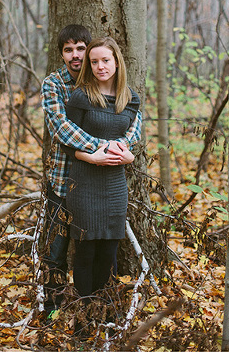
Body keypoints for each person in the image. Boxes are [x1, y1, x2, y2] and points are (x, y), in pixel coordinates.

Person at [41, 25, 142, 314]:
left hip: (107, 181)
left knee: (104, 247)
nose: (76, 55)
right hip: (65, 179)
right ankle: (52, 308)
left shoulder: (121, 91)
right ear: (62, 54)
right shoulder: (56, 85)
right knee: (57, 250)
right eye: (68, 49)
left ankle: (98, 309)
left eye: (80, 49)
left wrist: (123, 148)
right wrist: (103, 148)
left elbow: (135, 124)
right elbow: (61, 128)